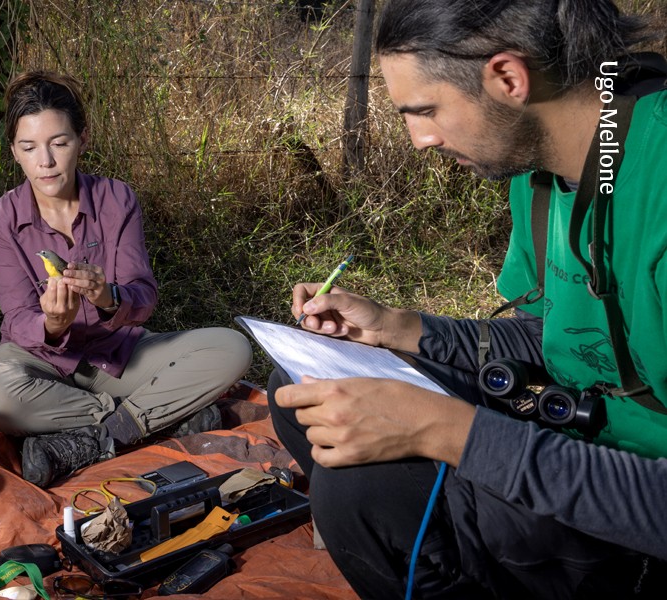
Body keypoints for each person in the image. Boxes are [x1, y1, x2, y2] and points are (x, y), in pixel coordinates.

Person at [268, 1, 667, 598]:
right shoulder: (540, 167)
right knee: (303, 387)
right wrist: (397, 329)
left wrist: (450, 432)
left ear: (508, 78)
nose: (419, 141)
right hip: (572, 427)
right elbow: (559, 335)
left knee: (362, 493)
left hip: (635, 505)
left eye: (424, 111)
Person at [0, 71, 252, 488]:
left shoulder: (117, 198)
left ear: (82, 139)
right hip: (38, 360)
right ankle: (148, 419)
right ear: (14, 152)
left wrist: (108, 296)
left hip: (115, 356)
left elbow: (143, 297)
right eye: (29, 147)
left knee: (230, 346)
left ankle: (98, 438)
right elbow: (18, 319)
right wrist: (53, 323)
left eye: (59, 143)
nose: (45, 161)